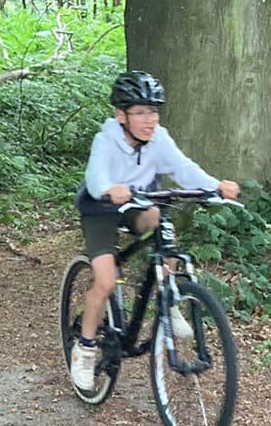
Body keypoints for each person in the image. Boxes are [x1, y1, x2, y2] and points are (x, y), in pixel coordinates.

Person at [68, 70, 240, 396]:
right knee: (105, 281)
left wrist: (215, 185)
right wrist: (108, 189)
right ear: (121, 115)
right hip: (101, 209)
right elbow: (95, 177)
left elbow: (183, 168)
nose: (149, 120)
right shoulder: (106, 140)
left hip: (139, 204)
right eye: (140, 112)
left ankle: (169, 298)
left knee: (163, 224)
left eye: (153, 111)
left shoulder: (159, 138)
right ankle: (85, 348)